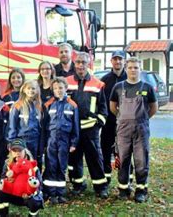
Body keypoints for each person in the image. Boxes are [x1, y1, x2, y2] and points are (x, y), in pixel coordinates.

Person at [109, 57, 158, 203]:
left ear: (140, 69)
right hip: (123, 130)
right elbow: (113, 106)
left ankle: (141, 190)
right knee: (123, 159)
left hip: (141, 130)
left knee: (141, 160)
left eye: (136, 68)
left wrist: (142, 119)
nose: (133, 70)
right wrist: (122, 117)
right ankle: (123, 189)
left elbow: (154, 108)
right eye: (130, 67)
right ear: (126, 68)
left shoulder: (147, 87)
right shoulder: (118, 87)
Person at [66, 52, 109, 198]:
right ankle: (78, 184)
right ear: (74, 64)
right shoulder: (66, 82)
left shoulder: (97, 84)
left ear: (88, 63)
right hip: (72, 128)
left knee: (95, 157)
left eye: (83, 62)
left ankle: (100, 186)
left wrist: (99, 122)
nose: (80, 65)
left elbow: (103, 107)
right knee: (74, 158)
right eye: (78, 62)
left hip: (91, 128)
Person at [42, 77, 79, 204]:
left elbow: (75, 126)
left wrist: (74, 142)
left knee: (62, 166)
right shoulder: (48, 104)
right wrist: (44, 143)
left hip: (65, 140)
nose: (58, 90)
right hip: (51, 139)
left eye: (61, 88)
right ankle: (51, 193)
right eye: (56, 88)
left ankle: (60, 193)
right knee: (51, 165)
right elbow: (44, 125)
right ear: (52, 89)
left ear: (66, 88)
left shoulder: (72, 105)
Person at [100, 50, 127, 185]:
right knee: (105, 149)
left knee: (125, 151)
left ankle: (125, 180)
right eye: (115, 59)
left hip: (125, 123)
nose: (118, 61)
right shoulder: (105, 80)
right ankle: (105, 178)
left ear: (124, 61)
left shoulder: (129, 78)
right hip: (108, 122)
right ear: (111, 61)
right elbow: (100, 101)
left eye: (120, 59)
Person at [0, 139, 43, 217]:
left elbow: (39, 184)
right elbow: (2, 180)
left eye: (20, 150)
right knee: (0, 193)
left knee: (35, 202)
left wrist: (30, 193)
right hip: (13, 193)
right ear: (11, 152)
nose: (17, 153)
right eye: (14, 150)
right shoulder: (8, 164)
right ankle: (3, 214)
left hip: (27, 196)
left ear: (25, 151)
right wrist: (7, 180)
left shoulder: (32, 165)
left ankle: (33, 215)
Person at [7, 80, 43, 168]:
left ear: (37, 90)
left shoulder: (40, 106)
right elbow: (12, 126)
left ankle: (34, 181)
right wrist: (12, 141)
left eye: (33, 88)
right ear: (24, 90)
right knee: (19, 164)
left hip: (35, 140)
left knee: (33, 164)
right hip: (21, 140)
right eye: (29, 88)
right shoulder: (17, 105)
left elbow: (41, 127)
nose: (31, 91)